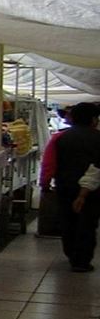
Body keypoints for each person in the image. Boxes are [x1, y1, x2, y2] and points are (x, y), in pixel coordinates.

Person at [53, 102, 100, 271]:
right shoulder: (98, 138)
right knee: (87, 223)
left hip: (65, 185)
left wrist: (46, 182)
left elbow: (52, 162)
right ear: (93, 119)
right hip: (91, 190)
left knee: (68, 221)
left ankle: (71, 253)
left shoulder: (61, 137)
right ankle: (81, 261)